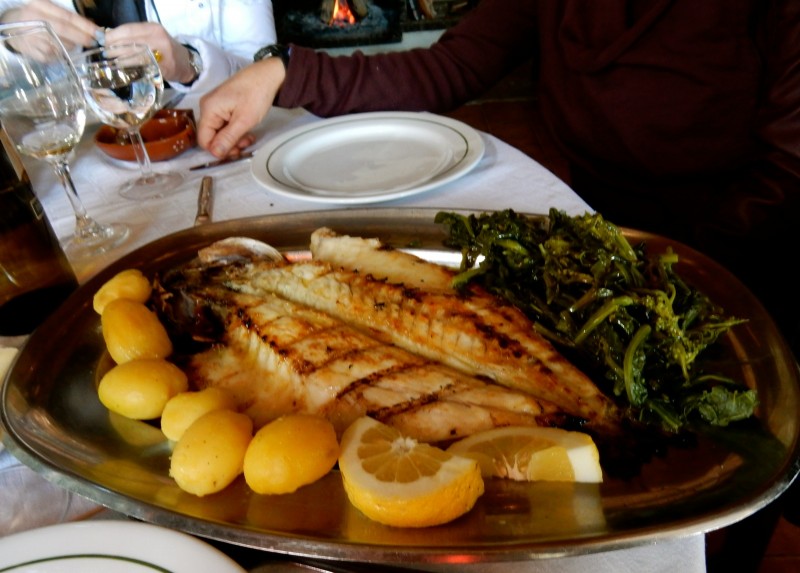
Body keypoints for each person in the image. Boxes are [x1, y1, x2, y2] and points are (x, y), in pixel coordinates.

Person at [196, 1, 799, 571]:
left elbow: (789, 170)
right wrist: (284, 74)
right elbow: (451, 64)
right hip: (588, 245)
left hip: (735, 260)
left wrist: (671, 281)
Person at [0, 0, 277, 93]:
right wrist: (12, 35)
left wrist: (192, 64)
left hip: (210, 141)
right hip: (83, 168)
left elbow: (267, 76)